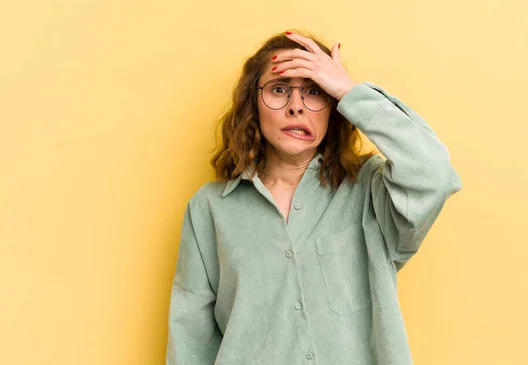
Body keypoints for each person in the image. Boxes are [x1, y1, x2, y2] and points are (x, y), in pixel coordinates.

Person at [166, 30, 462, 365]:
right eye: (279, 90)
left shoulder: (370, 190)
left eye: (314, 91)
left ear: (334, 108)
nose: (296, 106)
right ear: (253, 104)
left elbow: (435, 174)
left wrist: (350, 90)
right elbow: (191, 341)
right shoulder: (210, 208)